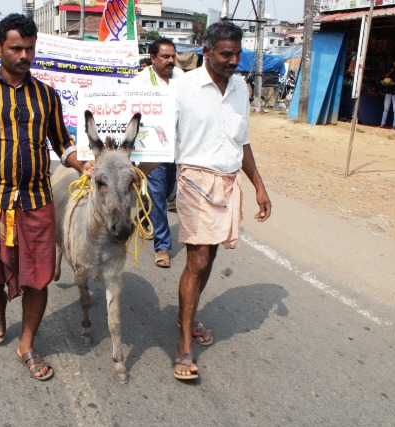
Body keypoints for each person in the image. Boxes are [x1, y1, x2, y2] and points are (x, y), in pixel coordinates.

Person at [0, 14, 91, 381]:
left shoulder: (47, 96)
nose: (25, 56)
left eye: (30, 49)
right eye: (16, 48)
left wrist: (80, 163)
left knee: (37, 280)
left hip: (36, 203)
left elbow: (62, 142)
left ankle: (27, 344)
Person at [170, 22, 272, 380]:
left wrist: (259, 185)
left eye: (237, 54)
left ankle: (186, 315)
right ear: (207, 52)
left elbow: (241, 141)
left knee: (209, 257)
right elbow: (161, 137)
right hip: (194, 180)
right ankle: (184, 342)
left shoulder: (241, 88)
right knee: (197, 259)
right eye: (226, 54)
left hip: (227, 183)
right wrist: (134, 173)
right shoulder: (182, 87)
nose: (233, 60)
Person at [130, 38, 184, 269]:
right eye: (165, 56)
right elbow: (131, 114)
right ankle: (162, 247)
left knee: (169, 191)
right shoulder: (140, 82)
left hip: (178, 146)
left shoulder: (181, 77)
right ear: (153, 58)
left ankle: (144, 217)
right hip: (152, 149)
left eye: (173, 56)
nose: (170, 60)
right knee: (159, 195)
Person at [380, 58, 395, 130]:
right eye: (393, 62)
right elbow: (383, 78)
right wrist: (383, 82)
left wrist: (394, 83)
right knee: (386, 108)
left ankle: (394, 126)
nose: (394, 63)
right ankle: (382, 124)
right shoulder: (390, 71)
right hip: (388, 91)